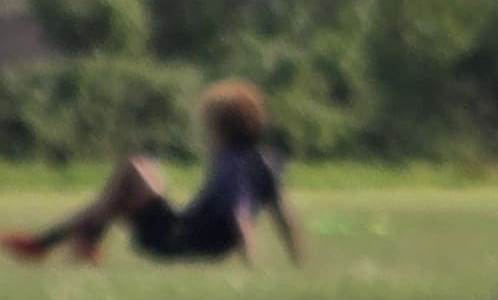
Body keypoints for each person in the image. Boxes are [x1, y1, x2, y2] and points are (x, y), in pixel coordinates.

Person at [5, 82, 305, 267]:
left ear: (222, 129)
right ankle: (61, 244)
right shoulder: (267, 161)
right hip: (192, 236)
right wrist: (298, 258)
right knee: (120, 196)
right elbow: (282, 213)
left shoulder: (231, 164)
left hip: (179, 239)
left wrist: (251, 262)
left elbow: (239, 213)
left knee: (134, 167)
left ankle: (50, 244)